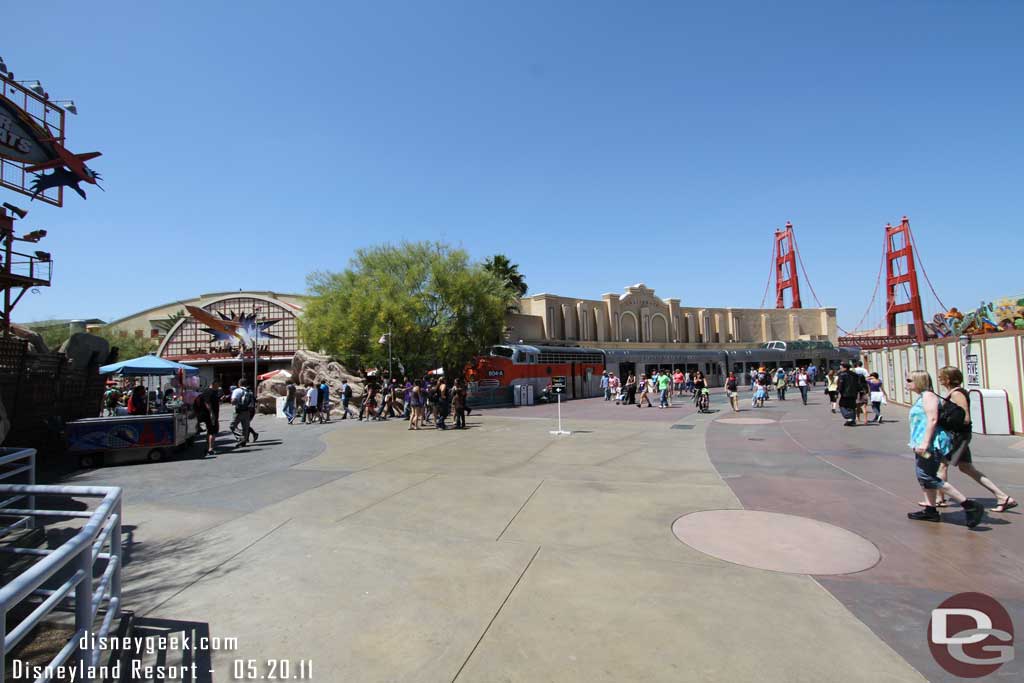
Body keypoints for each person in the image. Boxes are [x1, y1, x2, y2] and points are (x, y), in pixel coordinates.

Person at [931, 366, 1017, 513]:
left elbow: (965, 416)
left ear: (948, 378)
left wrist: (948, 423)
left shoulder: (957, 393)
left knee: (942, 466)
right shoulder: (952, 393)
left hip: (957, 436)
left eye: (941, 376)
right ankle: (1002, 497)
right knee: (966, 468)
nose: (938, 379)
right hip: (959, 435)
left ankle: (938, 499)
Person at [905, 371, 984, 527]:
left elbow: (933, 419)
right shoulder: (923, 396)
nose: (907, 383)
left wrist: (925, 442)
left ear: (919, 381)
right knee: (924, 476)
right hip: (922, 442)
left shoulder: (928, 396)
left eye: (909, 380)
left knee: (928, 476)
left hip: (931, 443)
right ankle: (930, 510)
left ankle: (970, 505)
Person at [194, 379, 221, 456]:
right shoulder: (209, 392)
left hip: (210, 415)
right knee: (212, 432)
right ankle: (210, 449)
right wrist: (212, 414)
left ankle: (208, 447)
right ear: (213, 384)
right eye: (217, 385)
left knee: (210, 431)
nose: (218, 387)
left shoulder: (212, 392)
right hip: (209, 415)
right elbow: (207, 403)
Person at [229, 378, 258, 447]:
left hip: (239, 411)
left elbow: (233, 401)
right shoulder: (249, 391)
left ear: (239, 384)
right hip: (248, 411)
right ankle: (243, 442)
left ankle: (241, 438)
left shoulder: (237, 390)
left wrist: (233, 402)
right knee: (245, 427)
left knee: (232, 426)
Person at [836, 361, 864, 426]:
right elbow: (858, 384)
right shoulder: (855, 374)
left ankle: (849, 417)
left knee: (842, 405)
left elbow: (841, 384)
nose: (840, 368)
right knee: (852, 407)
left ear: (845, 368)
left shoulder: (842, 374)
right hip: (854, 393)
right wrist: (860, 391)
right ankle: (852, 421)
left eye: (841, 367)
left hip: (845, 394)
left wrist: (837, 392)